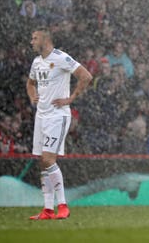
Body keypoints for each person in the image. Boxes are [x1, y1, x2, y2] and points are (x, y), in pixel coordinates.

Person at [26, 28, 92, 220]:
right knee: (42, 162)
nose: (31, 42)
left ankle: (63, 206)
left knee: (48, 160)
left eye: (34, 38)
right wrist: (32, 97)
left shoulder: (62, 58)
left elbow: (86, 76)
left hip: (57, 116)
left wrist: (71, 98)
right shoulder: (37, 62)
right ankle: (47, 209)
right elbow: (30, 83)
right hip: (41, 116)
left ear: (45, 40)